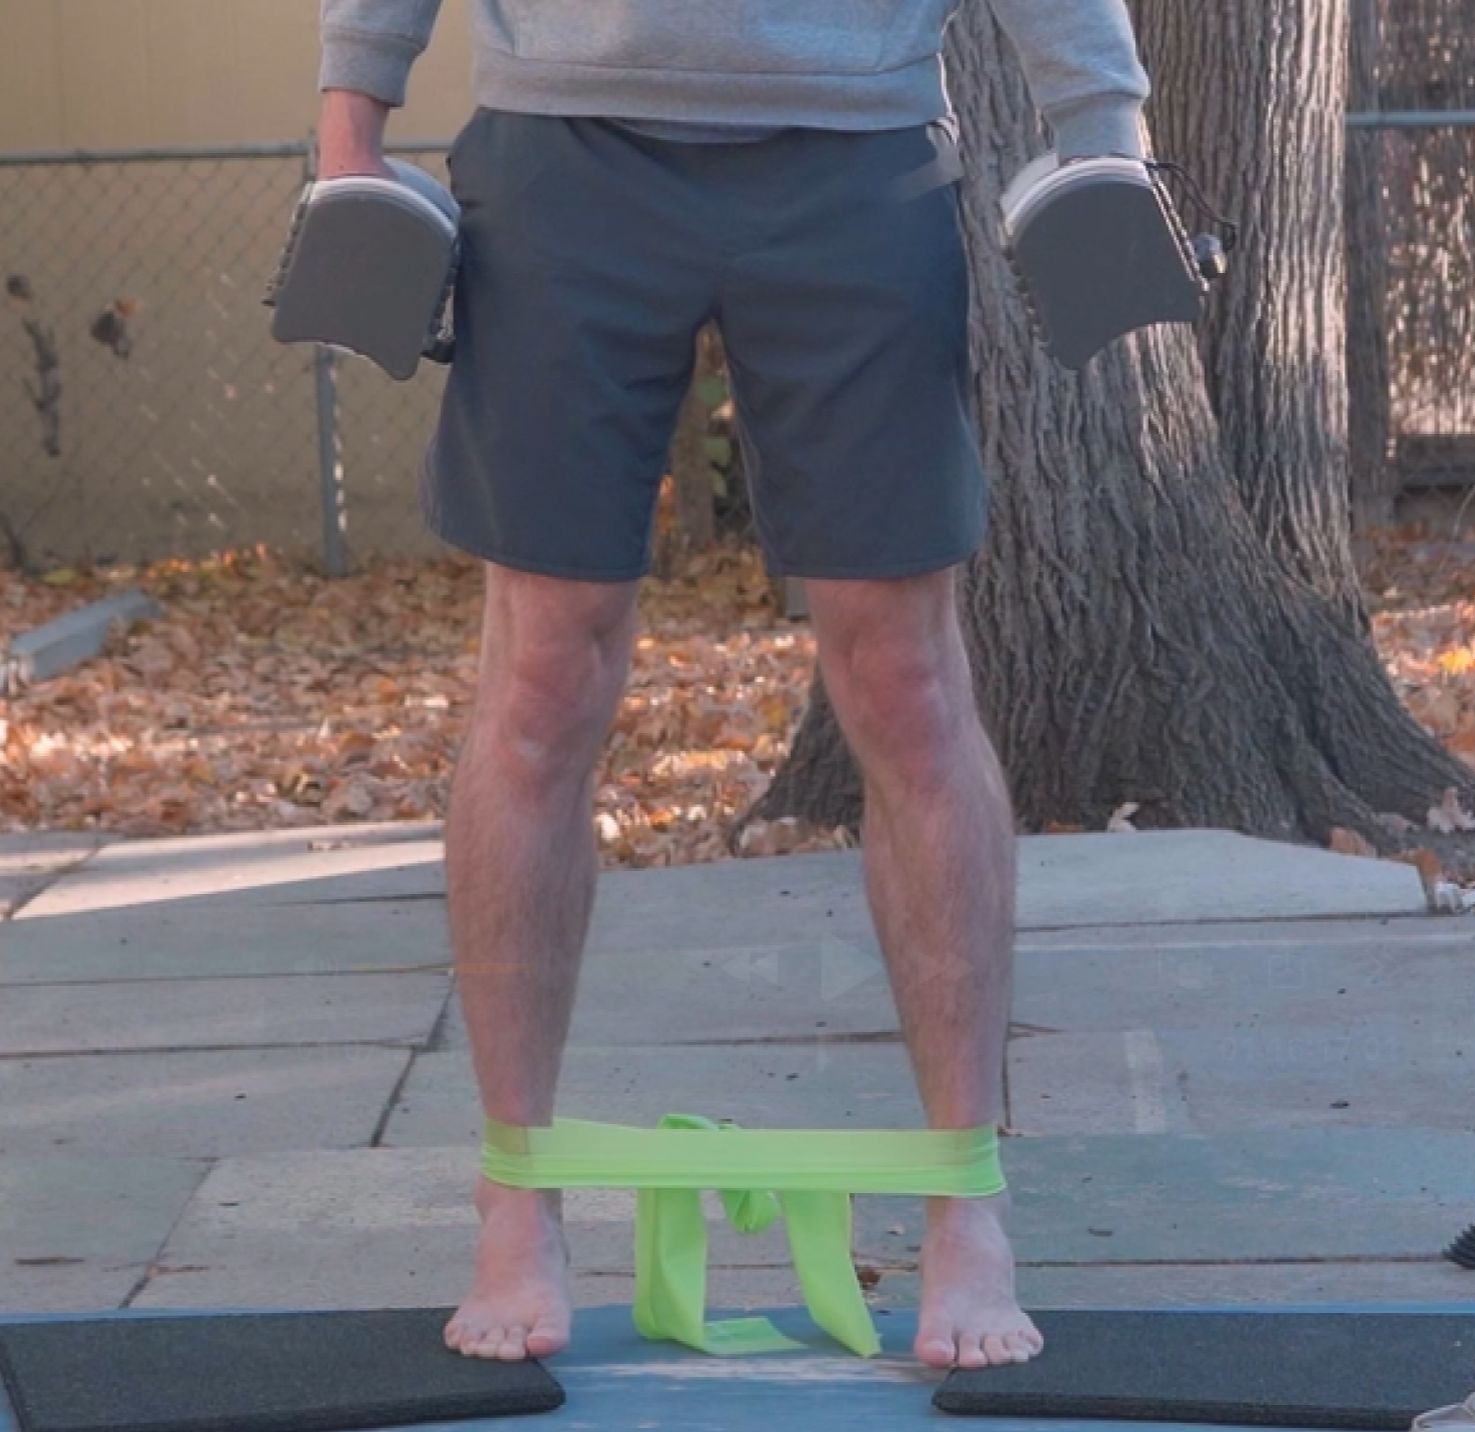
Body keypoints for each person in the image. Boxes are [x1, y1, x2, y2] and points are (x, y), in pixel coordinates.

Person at [317, 0, 1151, 1373]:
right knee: (542, 674)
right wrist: (352, 122)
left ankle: (967, 1201)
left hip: (858, 149)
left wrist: (1102, 129)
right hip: (562, 151)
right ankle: (515, 1193)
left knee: (906, 680)